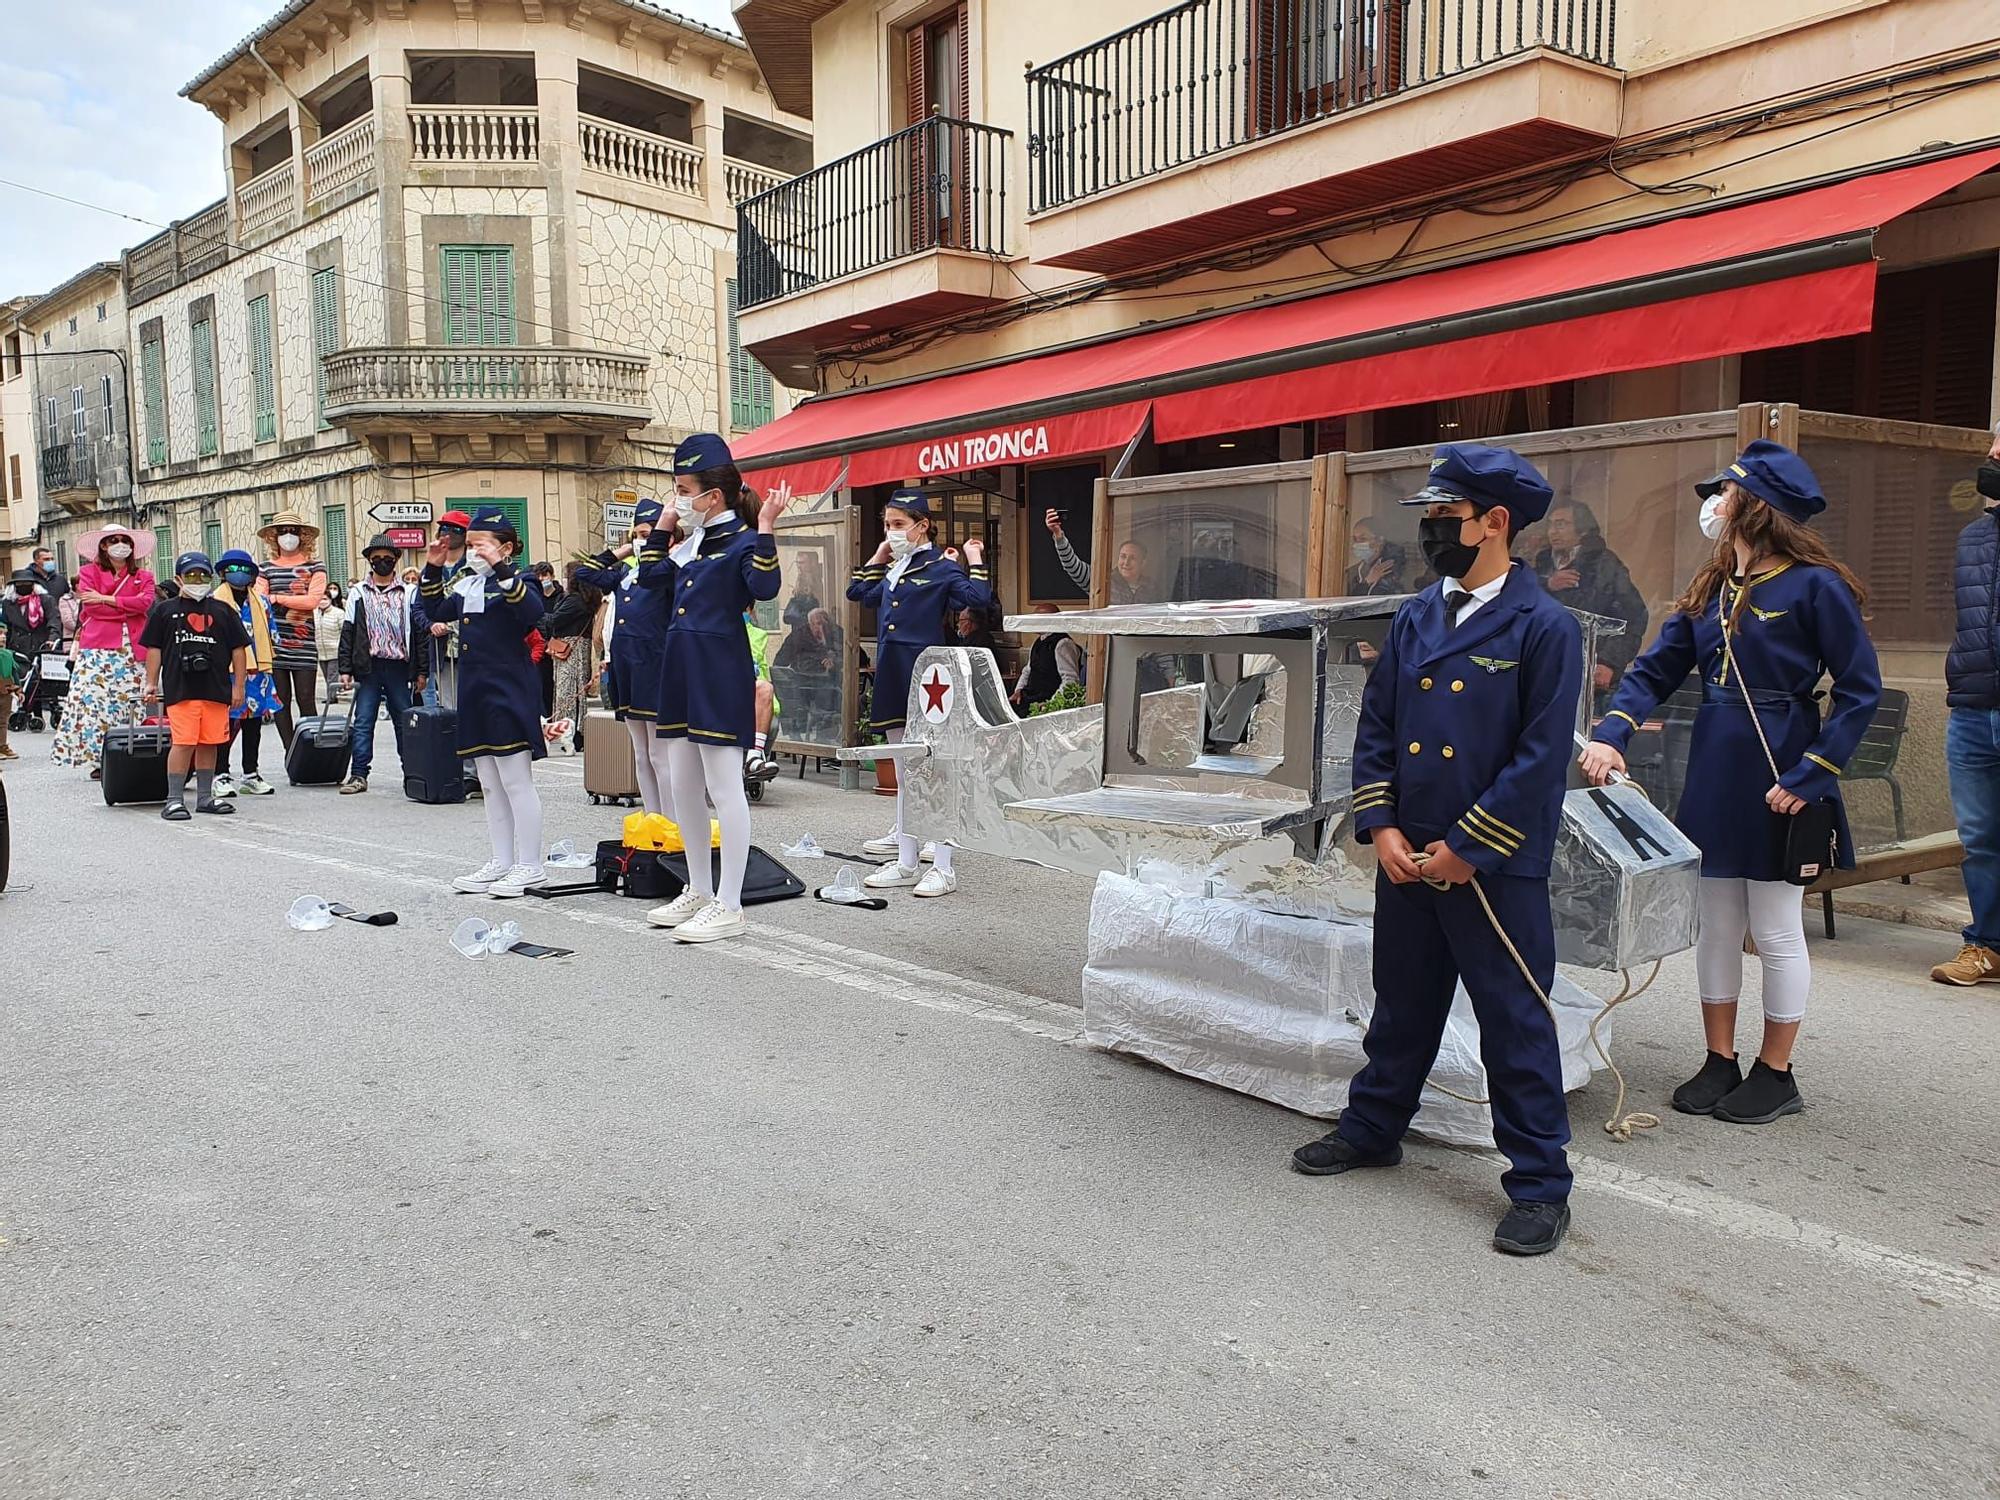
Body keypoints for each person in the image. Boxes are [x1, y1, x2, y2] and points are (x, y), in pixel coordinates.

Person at [1290, 443, 1582, 1258]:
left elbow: (1540, 756)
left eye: (1444, 518)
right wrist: (1381, 826)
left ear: (1495, 523)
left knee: (1514, 1024)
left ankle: (1539, 1185)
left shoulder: (1544, 626)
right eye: (1429, 519)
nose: (1430, 533)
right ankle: (1374, 1126)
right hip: (1408, 853)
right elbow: (1376, 727)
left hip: (1491, 864)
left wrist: (1469, 847)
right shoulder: (1417, 613)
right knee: (1403, 1004)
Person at [1581, 441, 1880, 1125]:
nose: (1714, 505)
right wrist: (1612, 732)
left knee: (1774, 928)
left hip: (1785, 768)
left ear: (1757, 506)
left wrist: (1813, 776)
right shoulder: (1714, 589)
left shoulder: (1816, 585)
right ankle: (1720, 1059)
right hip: (1715, 766)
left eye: (1726, 491)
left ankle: (1777, 1072)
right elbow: (1655, 671)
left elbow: (1862, 691)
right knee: (1715, 925)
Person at [640, 434, 786, 942]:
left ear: (713, 496)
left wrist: (765, 528)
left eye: (684, 490)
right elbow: (649, 576)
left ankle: (729, 903)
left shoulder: (745, 540)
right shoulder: (691, 543)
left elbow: (765, 588)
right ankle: (699, 887)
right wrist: (662, 527)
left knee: (724, 788)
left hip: (719, 670)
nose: (677, 500)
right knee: (682, 784)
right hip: (681, 669)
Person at [849, 488, 994, 899]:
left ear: (921, 525)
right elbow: (858, 593)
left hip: (929, 674)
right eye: (887, 525)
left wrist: (975, 557)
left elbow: (978, 598)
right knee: (903, 765)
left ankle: (943, 866)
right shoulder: (896, 567)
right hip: (894, 670)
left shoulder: (940, 567)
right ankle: (907, 859)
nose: (892, 533)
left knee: (937, 768)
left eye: (898, 525)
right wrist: (879, 556)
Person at [421, 510, 547, 898]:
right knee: (490, 783)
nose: (473, 551)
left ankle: (530, 864)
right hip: (475, 688)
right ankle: (502, 859)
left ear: (506, 547)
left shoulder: (520, 580)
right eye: (470, 544)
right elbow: (434, 611)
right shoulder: (469, 585)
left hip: (509, 688)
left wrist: (500, 567)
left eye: (481, 544)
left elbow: (533, 615)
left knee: (515, 780)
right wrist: (432, 568)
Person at [1935, 437, 2000, 984]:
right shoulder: (1973, 537)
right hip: (1973, 708)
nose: (1990, 462)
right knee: (1979, 837)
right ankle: (1985, 946)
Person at [575, 498, 676, 814]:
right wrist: (626, 551)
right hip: (625, 666)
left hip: (655, 665)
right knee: (641, 753)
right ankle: (652, 815)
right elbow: (585, 572)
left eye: (648, 533)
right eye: (637, 534)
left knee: (661, 754)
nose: (641, 539)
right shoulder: (625, 573)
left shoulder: (669, 569)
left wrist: (656, 550)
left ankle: (672, 819)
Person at [139, 551, 250, 821]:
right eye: (191, 575)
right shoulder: (165, 611)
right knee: (184, 742)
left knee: (210, 742)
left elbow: (238, 650)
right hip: (182, 688)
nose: (197, 580)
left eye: (203, 575)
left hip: (216, 687)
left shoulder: (223, 611)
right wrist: (151, 682)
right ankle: (174, 799)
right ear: (178, 578)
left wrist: (239, 686)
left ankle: (204, 797)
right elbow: (154, 649)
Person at [51, 525, 157, 776]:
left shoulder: (144, 576)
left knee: (131, 703)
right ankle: (98, 759)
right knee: (95, 706)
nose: (121, 545)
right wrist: (123, 606)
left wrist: (107, 598)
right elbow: (93, 608)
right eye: (114, 540)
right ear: (103, 546)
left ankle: (131, 752)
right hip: (98, 648)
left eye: (124, 540)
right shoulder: (88, 572)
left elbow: (145, 603)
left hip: (132, 649)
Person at [1531, 500, 1648, 703]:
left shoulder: (1605, 565)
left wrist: (1608, 662)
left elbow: (1634, 616)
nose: (1553, 532)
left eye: (1561, 524)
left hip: (1589, 675)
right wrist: (1547, 584)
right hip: (1541, 668)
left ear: (1582, 530)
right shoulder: (1541, 563)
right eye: (1550, 524)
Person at [337, 534, 427, 795]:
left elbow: (419, 634)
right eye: (376, 558)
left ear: (396, 560)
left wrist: (422, 671)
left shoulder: (409, 592)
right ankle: (358, 774)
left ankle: (412, 772)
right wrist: (345, 668)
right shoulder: (358, 593)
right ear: (369, 560)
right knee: (364, 720)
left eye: (387, 558)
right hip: (369, 666)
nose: (382, 562)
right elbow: (349, 632)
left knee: (404, 720)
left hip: (399, 666)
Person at [211, 552, 282, 798]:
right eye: (232, 567)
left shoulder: (262, 602)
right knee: (223, 723)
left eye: (244, 567)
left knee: (254, 724)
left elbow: (273, 635)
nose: (238, 572)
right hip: (225, 672)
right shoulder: (213, 602)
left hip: (257, 672)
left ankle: (250, 773)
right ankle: (219, 774)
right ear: (222, 572)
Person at [255, 510, 328, 748]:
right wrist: (280, 598)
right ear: (274, 537)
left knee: (307, 698)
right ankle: (291, 750)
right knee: (281, 701)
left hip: (304, 644)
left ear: (303, 535)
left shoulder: (316, 565)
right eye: (283, 531)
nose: (288, 536)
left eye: (293, 531)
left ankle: (313, 748)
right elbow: (260, 599)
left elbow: (312, 601)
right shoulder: (264, 568)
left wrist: (277, 598)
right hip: (274, 644)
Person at [543, 562, 602, 752]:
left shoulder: (574, 600)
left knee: (566, 692)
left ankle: (570, 732)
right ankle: (574, 732)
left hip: (570, 649)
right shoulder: (585, 600)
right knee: (575, 692)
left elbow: (554, 620)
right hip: (577, 649)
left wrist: (536, 614)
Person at [1011, 602, 1083, 711]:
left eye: (1036, 619)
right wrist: (1018, 691)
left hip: (1046, 702)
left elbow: (1070, 680)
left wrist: (1050, 704)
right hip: (1029, 698)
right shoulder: (1038, 642)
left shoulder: (1063, 644)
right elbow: (1028, 670)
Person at [744, 609, 781, 780]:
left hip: (753, 697)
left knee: (764, 688)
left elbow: (755, 660)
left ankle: (754, 757)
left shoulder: (757, 634)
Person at [1345, 515, 1410, 597]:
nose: (1357, 544)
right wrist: (1368, 581)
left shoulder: (1395, 567)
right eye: (1355, 539)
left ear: (1380, 540)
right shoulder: (1352, 572)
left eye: (1363, 539)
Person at [316, 583, 346, 705]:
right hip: (321, 651)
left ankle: (332, 697)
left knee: (331, 676)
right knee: (326, 675)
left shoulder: (338, 613)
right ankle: (331, 694)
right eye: (320, 599)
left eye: (325, 599)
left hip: (334, 650)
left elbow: (344, 632)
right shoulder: (314, 613)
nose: (322, 602)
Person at [0, 642, 17, 760]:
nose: (3, 637)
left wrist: (18, 690)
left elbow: (14, 673)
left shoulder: (8, 655)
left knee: (3, 720)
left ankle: (2, 746)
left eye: (4, 634)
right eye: (0, 633)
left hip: (7, 690)